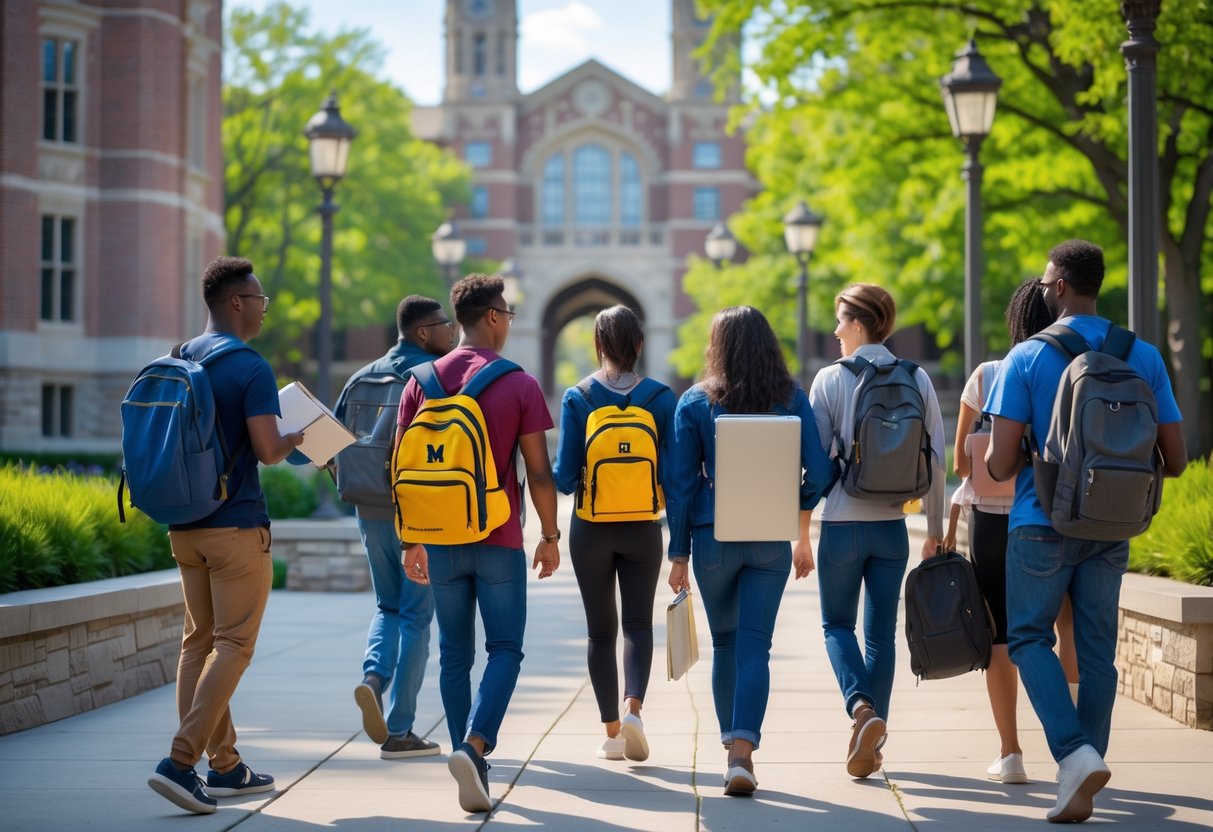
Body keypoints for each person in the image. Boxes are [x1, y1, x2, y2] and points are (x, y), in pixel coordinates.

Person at [986, 240, 1186, 823]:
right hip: (1112, 525)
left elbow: (998, 465)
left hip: (1041, 522)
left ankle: (1074, 755)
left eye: (1046, 282)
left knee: (1028, 638)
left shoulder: (1026, 357)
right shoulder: (1143, 355)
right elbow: (1175, 459)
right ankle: (1083, 771)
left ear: (1059, 287)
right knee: (1098, 653)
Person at [394, 273, 561, 814]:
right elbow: (539, 472)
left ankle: (471, 761)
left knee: (454, 654)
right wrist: (550, 535)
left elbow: (401, 466)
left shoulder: (420, 381)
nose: (508, 322)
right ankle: (475, 745)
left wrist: (410, 541)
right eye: (507, 313)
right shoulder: (519, 383)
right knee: (505, 648)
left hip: (439, 540)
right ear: (492, 316)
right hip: (497, 536)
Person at [146, 256, 304, 814]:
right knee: (233, 646)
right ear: (237, 302)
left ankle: (227, 767)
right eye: (260, 299)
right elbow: (268, 449)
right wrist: (299, 435)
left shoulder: (179, 356)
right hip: (235, 527)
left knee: (198, 645)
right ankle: (179, 763)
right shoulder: (250, 367)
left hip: (184, 526)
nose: (264, 309)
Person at [666, 306, 834, 796]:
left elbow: (680, 485)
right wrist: (794, 503)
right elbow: (821, 471)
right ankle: (744, 753)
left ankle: (730, 753)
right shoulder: (791, 398)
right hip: (768, 538)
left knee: (725, 643)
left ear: (717, 347)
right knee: (756, 645)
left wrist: (678, 554)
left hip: (712, 538)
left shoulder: (694, 401)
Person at [807, 283, 946, 779]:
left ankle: (862, 710)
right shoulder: (916, 376)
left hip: (843, 524)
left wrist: (803, 515)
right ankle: (872, 743)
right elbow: (937, 458)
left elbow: (815, 463)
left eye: (840, 320)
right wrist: (935, 528)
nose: (835, 331)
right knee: (881, 636)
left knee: (836, 626)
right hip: (892, 527)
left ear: (858, 323)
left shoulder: (829, 379)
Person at [947, 277, 1077, 785]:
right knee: (1065, 626)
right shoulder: (1073, 369)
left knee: (1000, 631)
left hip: (993, 521)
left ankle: (1011, 753)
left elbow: (961, 464)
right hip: (1058, 514)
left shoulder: (988, 375)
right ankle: (1075, 749)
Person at [552, 305, 675, 763]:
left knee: (600, 632)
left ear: (598, 345)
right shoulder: (661, 398)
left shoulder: (578, 397)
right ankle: (633, 710)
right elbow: (675, 476)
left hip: (590, 528)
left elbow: (566, 478)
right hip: (643, 526)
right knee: (638, 625)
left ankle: (611, 734)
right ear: (639, 344)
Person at [340, 296, 455, 759]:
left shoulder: (361, 377)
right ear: (423, 332)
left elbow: (330, 443)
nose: (451, 332)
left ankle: (373, 677)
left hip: (368, 509)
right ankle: (400, 729)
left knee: (387, 606)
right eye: (444, 324)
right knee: (416, 617)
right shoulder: (434, 380)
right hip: (417, 515)